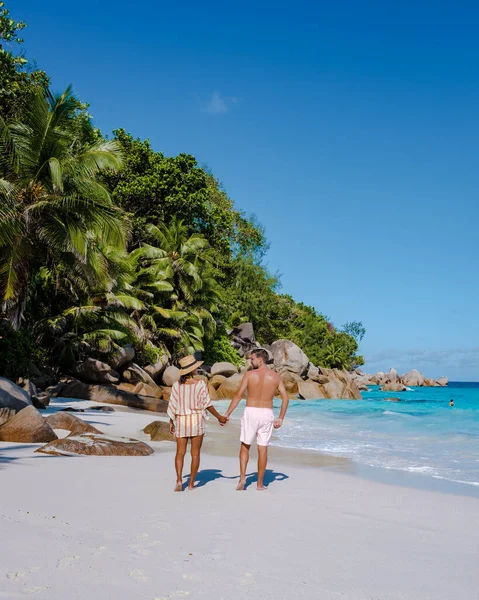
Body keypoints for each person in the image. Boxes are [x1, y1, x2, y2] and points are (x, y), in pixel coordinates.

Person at [224, 349, 289, 491]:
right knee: (263, 448)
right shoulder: (275, 377)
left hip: (251, 412)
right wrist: (280, 418)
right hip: (267, 414)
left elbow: (239, 395)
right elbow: (285, 397)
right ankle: (260, 484)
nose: (250, 361)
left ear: (260, 359)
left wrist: (227, 413)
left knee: (245, 446)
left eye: (252, 359)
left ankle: (242, 479)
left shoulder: (249, 375)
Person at [168, 355, 227, 491]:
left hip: (181, 420)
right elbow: (207, 404)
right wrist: (219, 417)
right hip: (196, 421)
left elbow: (173, 404)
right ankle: (191, 483)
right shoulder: (200, 384)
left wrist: (171, 420)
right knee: (195, 453)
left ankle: (178, 481)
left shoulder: (177, 385)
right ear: (193, 369)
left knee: (180, 452)